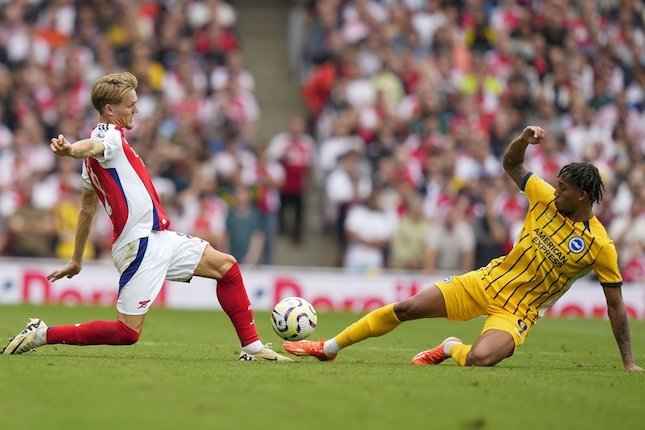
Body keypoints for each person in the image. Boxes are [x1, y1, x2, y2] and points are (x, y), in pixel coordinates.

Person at [283, 126, 642, 371]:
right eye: (557, 184)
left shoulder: (600, 246)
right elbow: (512, 164)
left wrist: (627, 361)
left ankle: (449, 347)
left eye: (562, 187)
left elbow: (615, 307)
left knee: (481, 360)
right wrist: (522, 138)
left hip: (518, 312)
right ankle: (328, 348)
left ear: (581, 195)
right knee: (407, 307)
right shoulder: (544, 196)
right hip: (485, 281)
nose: (555, 189)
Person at [1, 72, 291, 362]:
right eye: (130, 104)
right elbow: (90, 146)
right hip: (138, 245)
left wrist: (77, 259)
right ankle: (42, 334)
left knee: (227, 267)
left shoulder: (98, 160)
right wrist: (70, 151)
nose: (136, 110)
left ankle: (252, 348)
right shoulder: (107, 135)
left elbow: (86, 210)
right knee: (127, 333)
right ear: (109, 109)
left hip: (159, 238)